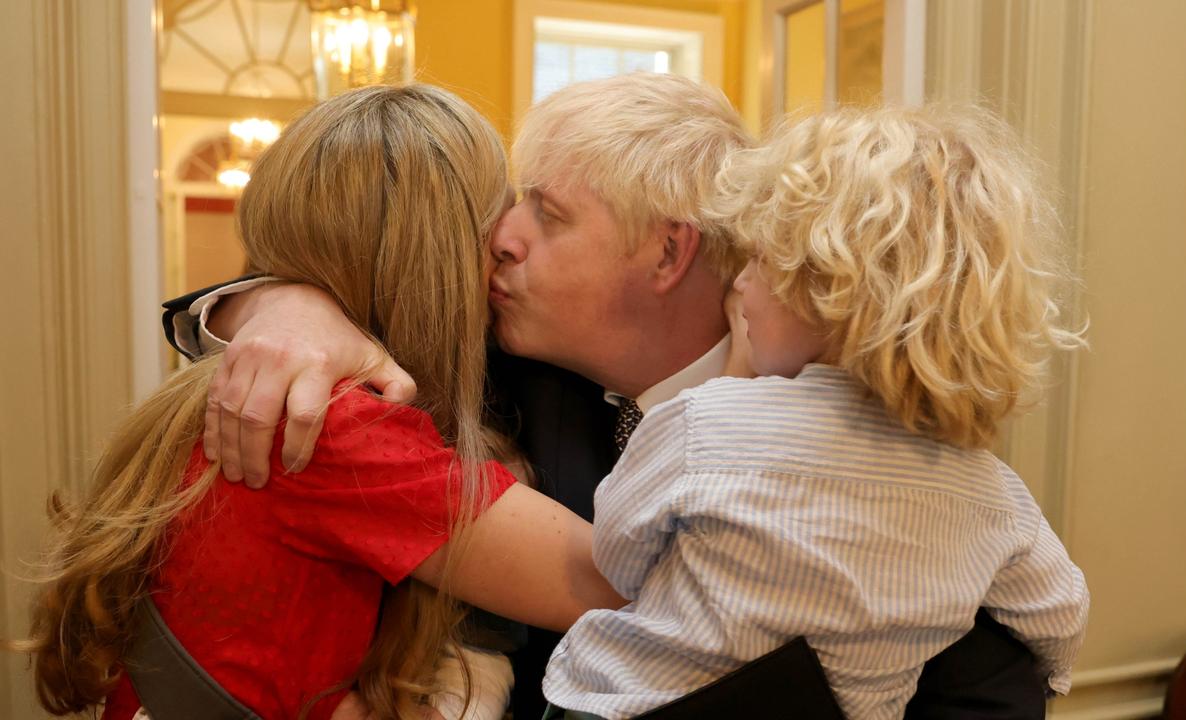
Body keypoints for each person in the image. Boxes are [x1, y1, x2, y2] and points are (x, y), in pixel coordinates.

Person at [167, 73, 1052, 718]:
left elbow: (990, 690)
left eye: (545, 214)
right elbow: (339, 281)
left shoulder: (872, 434)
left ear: (668, 255)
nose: (501, 240)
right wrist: (274, 305)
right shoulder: (493, 373)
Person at [15, 84, 623, 720]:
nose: (506, 249)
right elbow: (607, 584)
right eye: (495, 224)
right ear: (436, 260)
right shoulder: (331, 426)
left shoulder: (230, 381)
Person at [539, 104, 1091, 720]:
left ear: (832, 289)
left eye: (761, 261)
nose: (741, 283)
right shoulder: (990, 492)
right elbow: (1058, 617)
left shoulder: (705, 421)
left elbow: (619, 553)